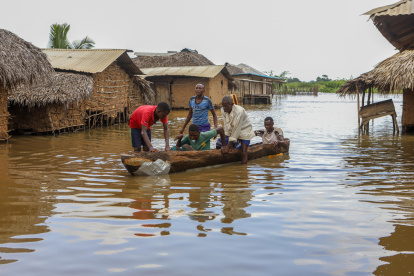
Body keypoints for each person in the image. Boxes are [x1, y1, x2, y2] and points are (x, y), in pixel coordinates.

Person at [216, 95, 255, 164]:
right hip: (232, 131)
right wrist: (226, 144)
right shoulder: (223, 110)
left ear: (232, 105)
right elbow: (226, 125)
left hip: (244, 130)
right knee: (219, 143)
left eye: (226, 106)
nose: (224, 108)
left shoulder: (239, 111)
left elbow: (237, 128)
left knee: (243, 152)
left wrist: (229, 144)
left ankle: (244, 171)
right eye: (223, 106)